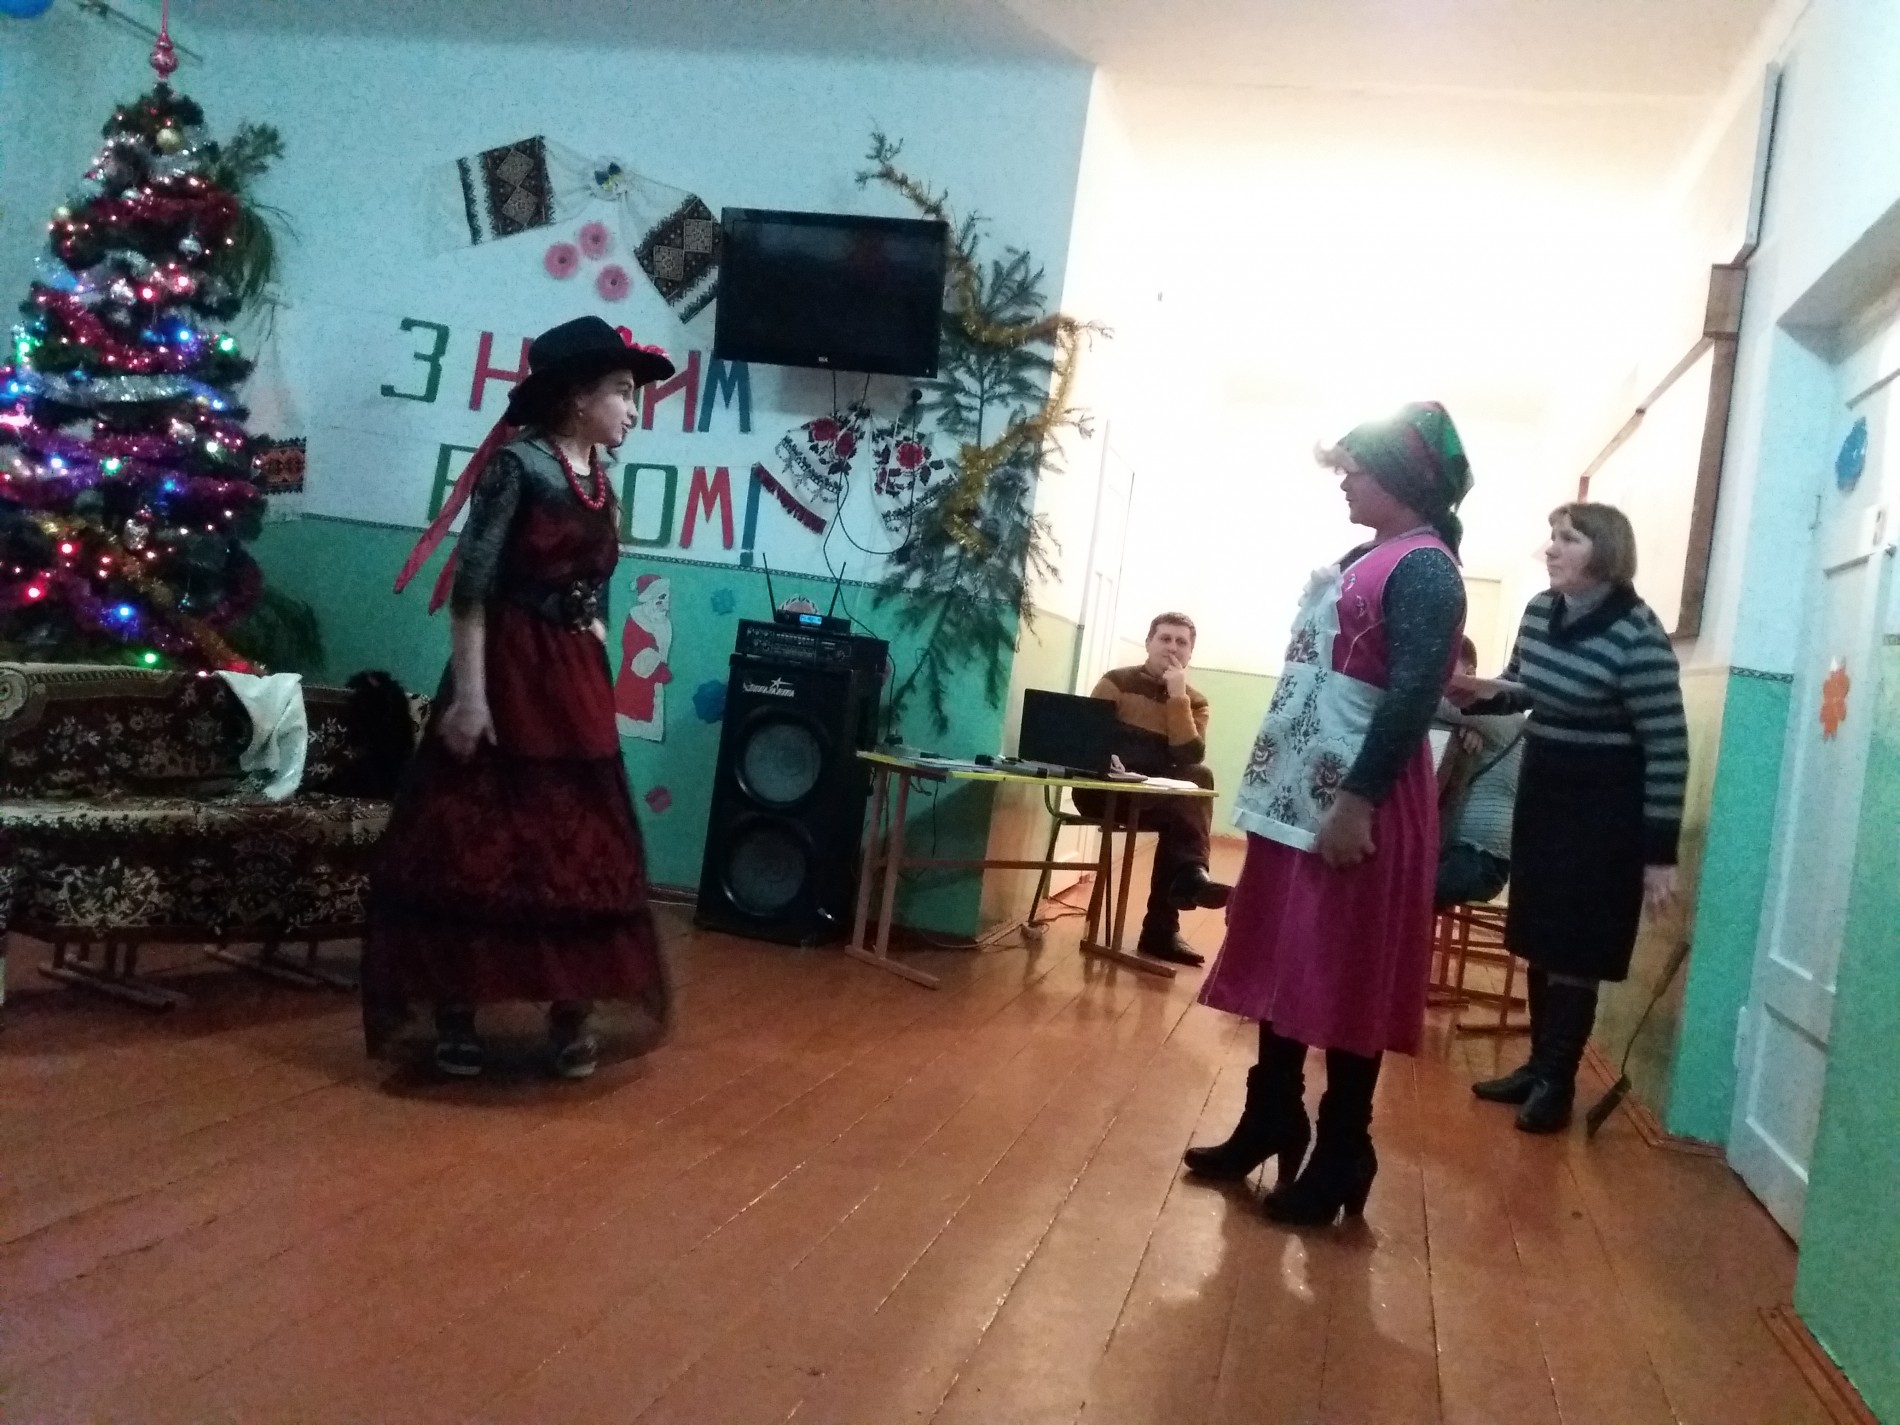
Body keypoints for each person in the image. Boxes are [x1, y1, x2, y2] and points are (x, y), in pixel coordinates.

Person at [364, 316, 677, 1080]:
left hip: (573, 674)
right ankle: (457, 1012)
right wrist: (470, 699)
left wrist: (594, 625)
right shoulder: (517, 467)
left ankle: (570, 1011)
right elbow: (472, 587)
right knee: (482, 832)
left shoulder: (600, 479)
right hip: (508, 667)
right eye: (622, 392)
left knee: (579, 834)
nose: (634, 409)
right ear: (577, 397)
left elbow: (596, 575)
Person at [1185, 401, 1470, 1226]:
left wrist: (1358, 801)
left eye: (1356, 468)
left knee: (1344, 973)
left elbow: (1410, 695)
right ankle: (1272, 1113)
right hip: (1299, 802)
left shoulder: (1426, 569)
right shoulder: (1365, 557)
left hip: (1353, 806)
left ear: (1404, 478)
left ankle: (1346, 1145)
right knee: (1285, 959)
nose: (1344, 480)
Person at [1450, 501, 1686, 1132]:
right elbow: (1526, 687)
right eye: (1552, 537)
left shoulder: (1638, 633)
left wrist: (1659, 854)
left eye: (1569, 539)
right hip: (1546, 790)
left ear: (1605, 552)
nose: (1551, 549)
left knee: (1577, 946)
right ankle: (1537, 1067)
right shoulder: (1539, 611)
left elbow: (1667, 747)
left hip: (1605, 807)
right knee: (1539, 933)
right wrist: (1480, 692)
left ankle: (1557, 1082)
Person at [1072, 613, 1230, 967]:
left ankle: (1171, 911)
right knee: (1186, 810)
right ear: (1148, 643)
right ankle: (1181, 895)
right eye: (1165, 639)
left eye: (1181, 642)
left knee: (1198, 779)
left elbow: (1188, 755)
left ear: (1190, 653)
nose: (1172, 647)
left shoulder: (1195, 701)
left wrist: (1177, 696)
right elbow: (1085, 738)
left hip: (1153, 797)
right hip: (1104, 791)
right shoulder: (1117, 682)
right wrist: (1107, 760)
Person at [1432, 636, 1522, 908]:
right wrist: (1462, 728)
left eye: (1445, 669)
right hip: (1448, 847)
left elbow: (1424, 702)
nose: (1436, 678)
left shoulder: (1507, 715)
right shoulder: (1471, 719)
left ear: (1470, 673)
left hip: (1483, 860)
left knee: (1409, 888)